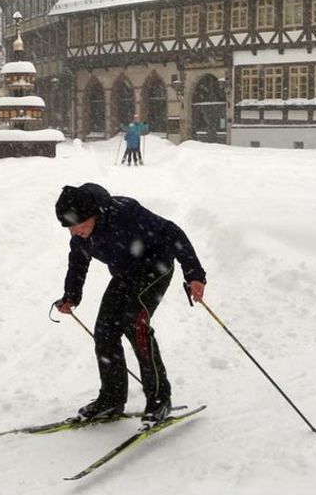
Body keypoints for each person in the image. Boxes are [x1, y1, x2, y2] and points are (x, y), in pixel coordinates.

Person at [52, 182, 207, 425]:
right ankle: (111, 400)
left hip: (155, 267)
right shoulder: (81, 235)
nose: (74, 232)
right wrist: (71, 295)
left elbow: (172, 232)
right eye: (68, 227)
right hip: (125, 274)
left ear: (94, 214)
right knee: (105, 331)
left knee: (135, 325)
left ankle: (159, 399)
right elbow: (78, 262)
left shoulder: (126, 213)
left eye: (78, 225)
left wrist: (194, 274)